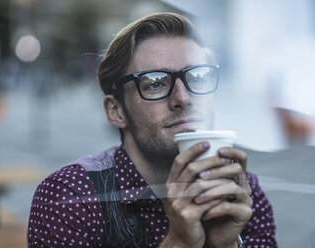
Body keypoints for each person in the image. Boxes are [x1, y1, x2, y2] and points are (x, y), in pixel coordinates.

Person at [27, 13, 277, 248]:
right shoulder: (71, 197)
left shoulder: (240, 192)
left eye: (198, 77)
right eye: (155, 82)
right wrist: (178, 242)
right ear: (117, 111)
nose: (183, 97)